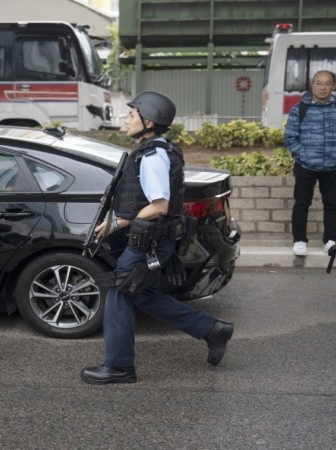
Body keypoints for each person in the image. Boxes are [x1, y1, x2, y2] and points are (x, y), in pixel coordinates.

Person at [80, 91, 234, 384]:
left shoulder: (152, 156)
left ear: (149, 121)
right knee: (142, 294)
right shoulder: (153, 150)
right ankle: (212, 330)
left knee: (120, 290)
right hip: (152, 238)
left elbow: (159, 206)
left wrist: (119, 223)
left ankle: (119, 367)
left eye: (131, 114)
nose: (126, 119)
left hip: (149, 240)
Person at [285, 70, 336, 256]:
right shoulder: (299, 109)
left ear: (333, 86)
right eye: (318, 83)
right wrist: (303, 155)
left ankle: (330, 240)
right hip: (305, 166)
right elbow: (290, 137)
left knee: (332, 204)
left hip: (332, 166)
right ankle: (299, 241)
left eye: (327, 83)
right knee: (302, 203)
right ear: (312, 85)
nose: (322, 87)